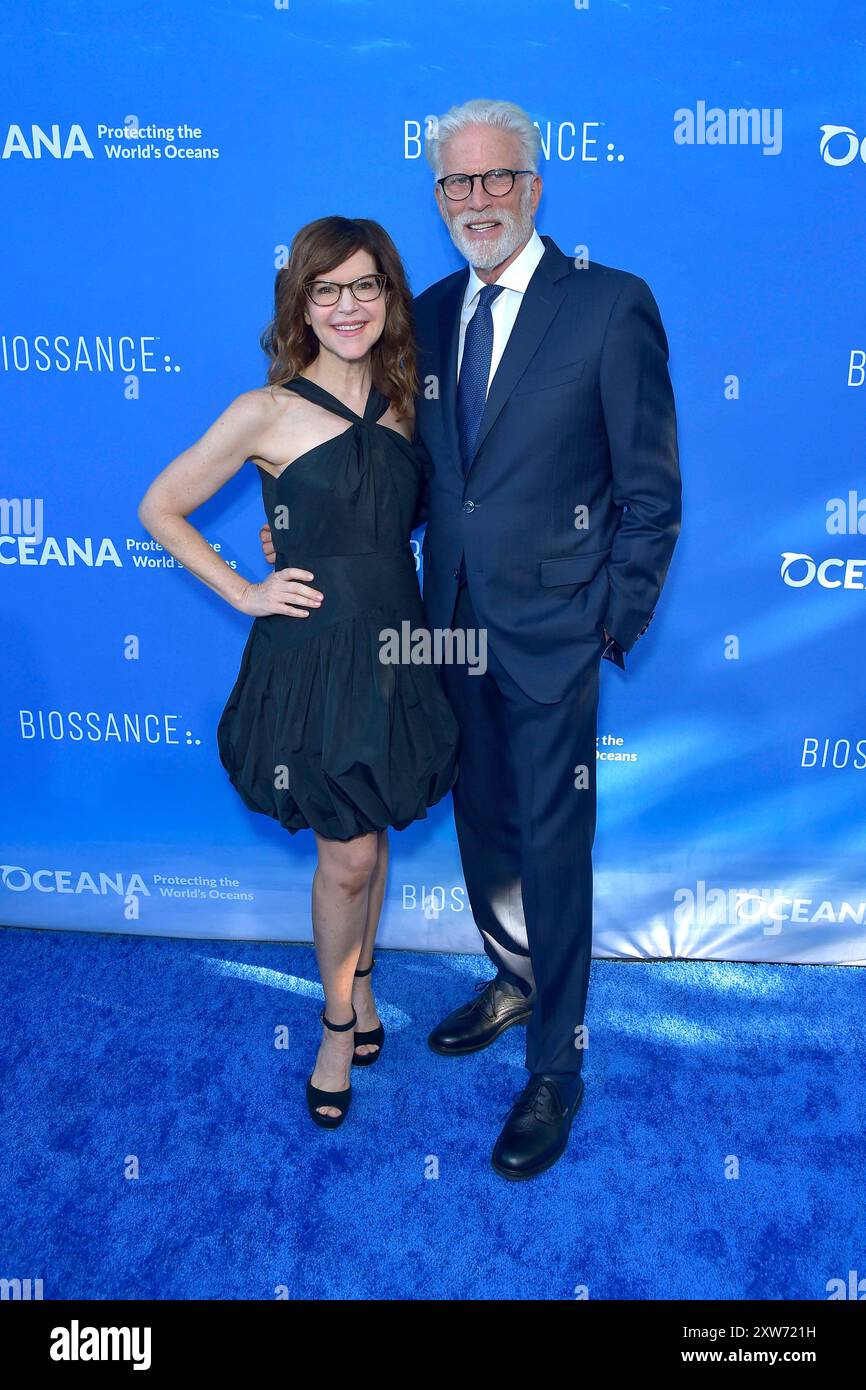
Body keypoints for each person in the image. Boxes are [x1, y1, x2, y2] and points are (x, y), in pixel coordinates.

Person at [262, 97, 681, 1180]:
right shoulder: (427, 313)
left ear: (534, 187)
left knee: (552, 850)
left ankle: (556, 1067)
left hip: (554, 635)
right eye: (456, 184)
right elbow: (401, 475)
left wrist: (608, 622)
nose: (476, 199)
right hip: (441, 636)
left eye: (496, 179)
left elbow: (649, 490)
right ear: (437, 196)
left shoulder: (607, 304)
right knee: (485, 829)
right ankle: (512, 975)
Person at [138, 216, 459, 1131]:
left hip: (398, 644)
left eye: (366, 286)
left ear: (389, 297)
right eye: (327, 290)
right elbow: (160, 507)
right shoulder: (264, 410)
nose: (347, 306)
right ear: (301, 304)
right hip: (315, 653)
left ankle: (359, 978)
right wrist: (244, 590)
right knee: (347, 851)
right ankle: (334, 1019)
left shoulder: (408, 403)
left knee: (377, 818)